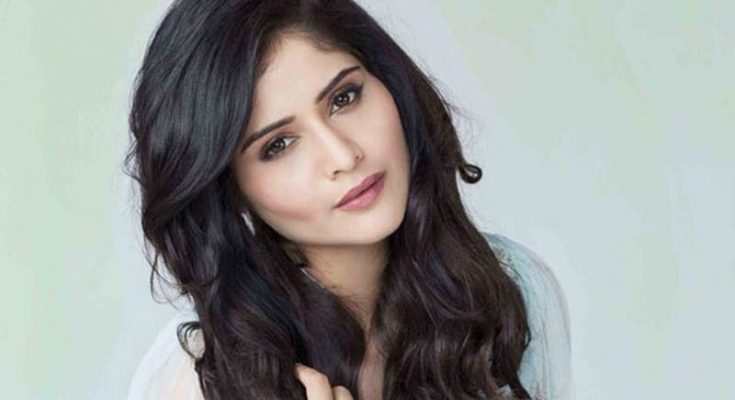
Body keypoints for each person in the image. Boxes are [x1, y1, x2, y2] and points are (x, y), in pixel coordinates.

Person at [124, 0, 574, 399]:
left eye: (344, 98)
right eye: (278, 145)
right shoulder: (202, 379)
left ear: (389, 82)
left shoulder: (511, 291)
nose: (343, 155)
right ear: (231, 189)